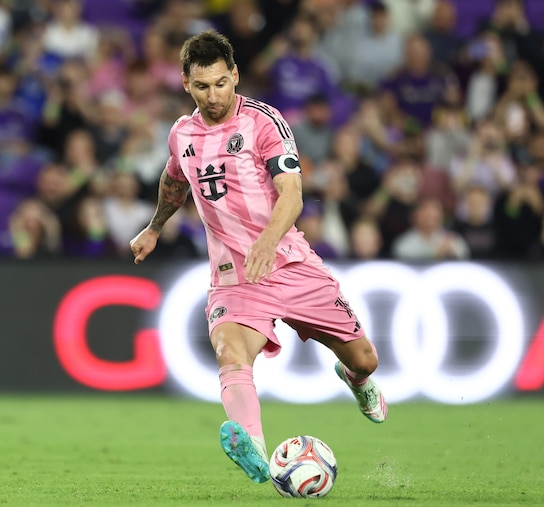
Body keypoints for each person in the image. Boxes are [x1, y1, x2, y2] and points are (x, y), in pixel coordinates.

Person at [129, 30, 386, 484]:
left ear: (235, 76)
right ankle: (254, 447)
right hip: (235, 275)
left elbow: (293, 192)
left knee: (366, 358)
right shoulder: (182, 135)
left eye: (221, 83)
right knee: (230, 353)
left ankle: (356, 379)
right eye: (202, 86)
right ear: (186, 83)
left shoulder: (263, 121)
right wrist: (154, 227)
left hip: (288, 264)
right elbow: (174, 182)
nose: (213, 96)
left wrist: (268, 240)